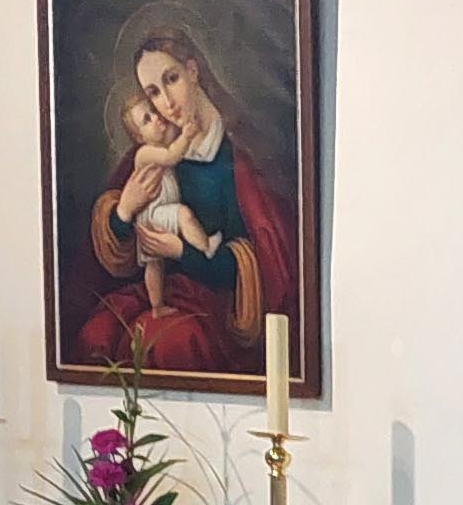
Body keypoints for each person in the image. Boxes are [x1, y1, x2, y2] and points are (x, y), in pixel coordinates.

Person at [73, 24, 301, 379]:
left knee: (163, 344)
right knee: (95, 335)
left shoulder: (238, 157)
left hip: (216, 306)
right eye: (153, 92)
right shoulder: (158, 151)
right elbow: (121, 245)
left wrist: (180, 251)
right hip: (161, 291)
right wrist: (125, 210)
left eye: (171, 79)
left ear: (193, 71)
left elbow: (248, 267)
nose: (166, 102)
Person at [119, 91, 221, 313]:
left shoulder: (160, 143)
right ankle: (206, 247)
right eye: (147, 120)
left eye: (153, 111)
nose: (156, 118)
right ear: (139, 137)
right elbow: (171, 156)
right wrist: (187, 135)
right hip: (155, 212)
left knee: (155, 265)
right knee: (184, 215)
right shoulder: (144, 153)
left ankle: (157, 307)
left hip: (156, 212)